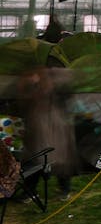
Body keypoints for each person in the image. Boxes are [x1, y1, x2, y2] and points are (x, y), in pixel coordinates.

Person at [17, 67, 77, 201]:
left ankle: (65, 189)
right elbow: (23, 101)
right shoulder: (31, 80)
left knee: (59, 159)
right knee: (35, 158)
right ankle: (30, 191)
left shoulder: (59, 76)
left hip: (56, 126)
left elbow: (66, 97)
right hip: (37, 125)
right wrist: (31, 84)